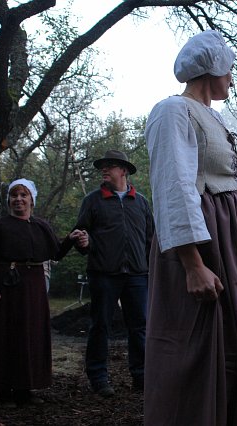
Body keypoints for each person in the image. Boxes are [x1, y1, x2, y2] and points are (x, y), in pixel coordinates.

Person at [143, 30, 237, 425]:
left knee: (236, 343)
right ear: (213, 68)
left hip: (234, 246)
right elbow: (173, 186)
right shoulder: (173, 111)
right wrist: (193, 264)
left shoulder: (215, 117)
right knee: (202, 346)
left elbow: (228, 188)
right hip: (205, 246)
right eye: (229, 70)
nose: (231, 78)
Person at [0, 178, 87, 406]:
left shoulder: (41, 226)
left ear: (32, 200)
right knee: (5, 337)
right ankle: (3, 391)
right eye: (14, 195)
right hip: (7, 287)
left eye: (23, 195)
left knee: (29, 336)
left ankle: (25, 389)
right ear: (8, 200)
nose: (18, 199)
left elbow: (55, 253)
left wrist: (71, 240)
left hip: (33, 288)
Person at [75, 149, 153, 397]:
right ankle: (98, 378)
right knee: (101, 325)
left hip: (137, 275)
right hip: (103, 274)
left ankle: (141, 376)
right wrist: (84, 242)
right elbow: (80, 235)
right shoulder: (92, 201)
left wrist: (151, 269)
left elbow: (150, 240)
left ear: (124, 170)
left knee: (139, 327)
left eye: (109, 165)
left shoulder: (141, 202)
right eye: (103, 166)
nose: (104, 170)